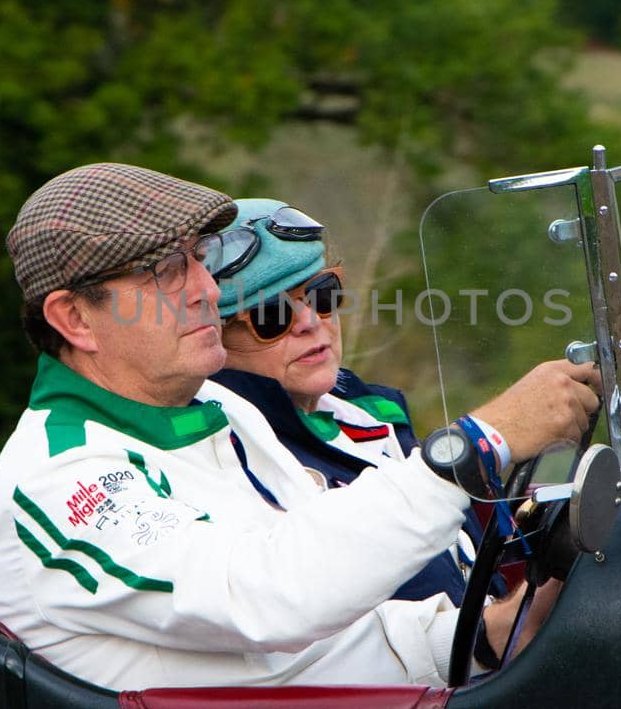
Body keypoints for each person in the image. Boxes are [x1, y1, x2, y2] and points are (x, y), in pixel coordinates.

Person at [0, 163, 599, 691]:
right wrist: (475, 445)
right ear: (75, 320)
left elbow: (334, 634)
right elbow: (270, 597)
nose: (207, 291)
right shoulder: (61, 479)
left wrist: (497, 632)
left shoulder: (222, 411)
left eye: (197, 259)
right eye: (165, 271)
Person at [207, 198, 491, 606]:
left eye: (323, 295)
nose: (310, 322)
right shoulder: (226, 451)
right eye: (271, 314)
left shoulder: (372, 410)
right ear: (211, 338)